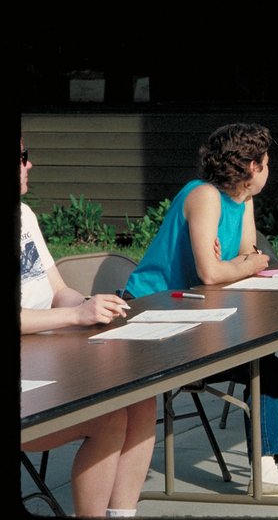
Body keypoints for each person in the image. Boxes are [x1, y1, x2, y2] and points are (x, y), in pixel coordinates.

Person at [123, 123, 278, 500]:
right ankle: (265, 473)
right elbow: (213, 272)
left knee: (263, 357)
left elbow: (250, 258)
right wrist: (239, 265)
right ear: (250, 167)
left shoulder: (243, 198)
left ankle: (266, 469)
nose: (268, 168)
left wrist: (241, 264)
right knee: (264, 363)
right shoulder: (204, 196)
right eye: (265, 161)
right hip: (150, 315)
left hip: (193, 311)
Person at [20, 138, 156, 518]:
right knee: (109, 417)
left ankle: (122, 514)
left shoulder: (24, 216)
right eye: (23, 158)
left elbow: (57, 290)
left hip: (46, 356)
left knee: (141, 396)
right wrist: (76, 317)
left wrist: (87, 305)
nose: (30, 165)